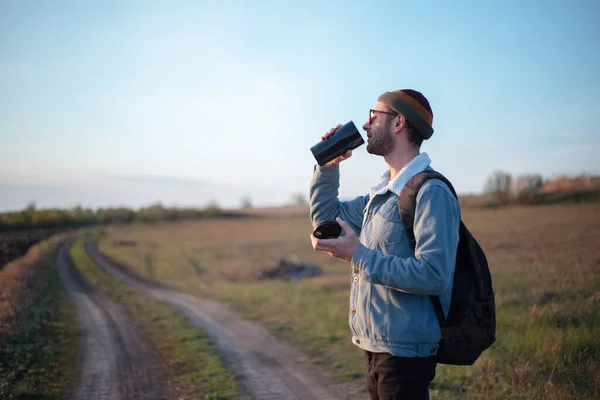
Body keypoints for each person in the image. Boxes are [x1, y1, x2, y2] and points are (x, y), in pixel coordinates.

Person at [309, 89, 460, 399]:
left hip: (406, 354)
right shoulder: (378, 196)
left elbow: (433, 274)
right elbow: (326, 220)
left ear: (399, 122)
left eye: (373, 116)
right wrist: (329, 164)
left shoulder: (431, 192)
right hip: (374, 346)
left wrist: (358, 256)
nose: (365, 125)